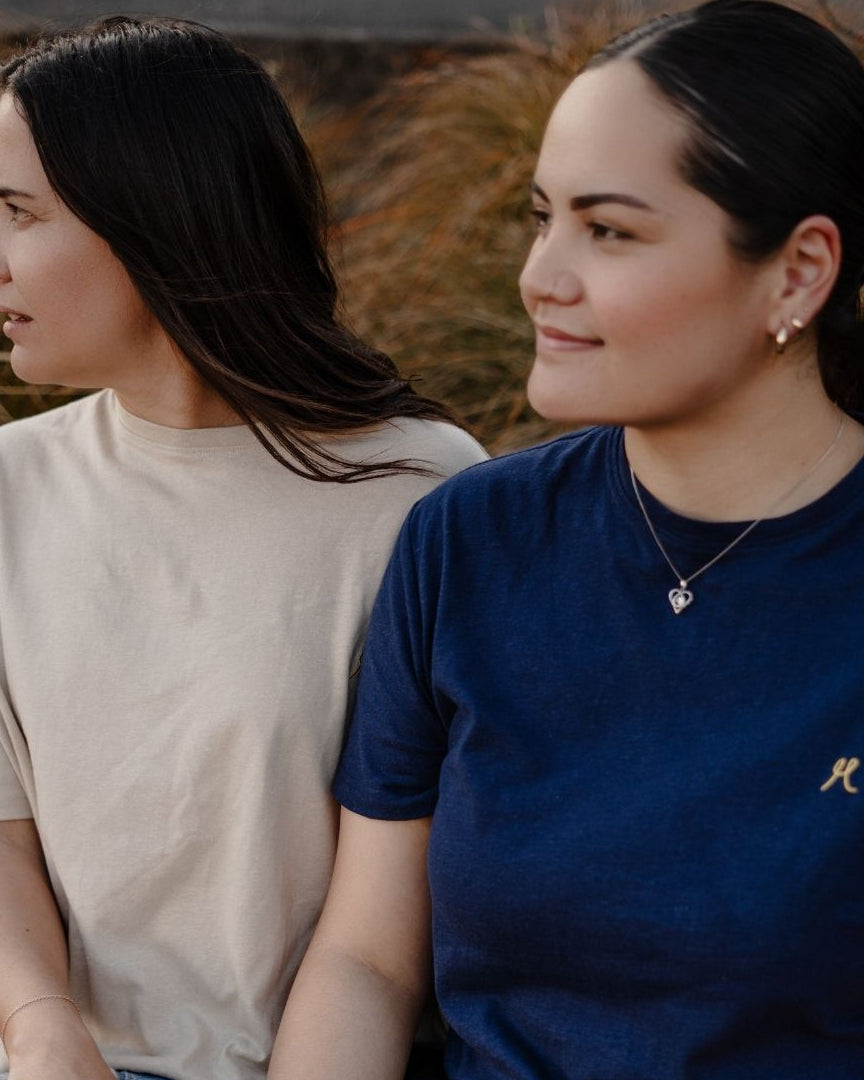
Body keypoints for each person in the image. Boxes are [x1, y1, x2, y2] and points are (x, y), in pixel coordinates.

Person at [269, 1, 864, 1076]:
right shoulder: (469, 539)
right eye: (542, 218)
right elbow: (366, 961)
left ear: (797, 271)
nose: (542, 276)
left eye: (610, 230)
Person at [0, 17, 486, 1080]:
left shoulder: (421, 493)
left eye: (18, 213)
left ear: (154, 217)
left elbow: (400, 915)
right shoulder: (10, 484)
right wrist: (40, 1026)